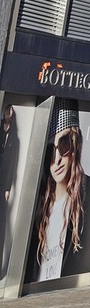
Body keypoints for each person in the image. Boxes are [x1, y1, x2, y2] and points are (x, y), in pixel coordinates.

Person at [32, 99, 90, 282]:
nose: (56, 160)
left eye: (63, 145)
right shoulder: (37, 200)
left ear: (75, 144)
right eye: (50, 150)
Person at [0, 105, 17, 278]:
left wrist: (7, 188)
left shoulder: (13, 138)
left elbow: (12, 165)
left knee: (3, 225)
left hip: (2, 185)